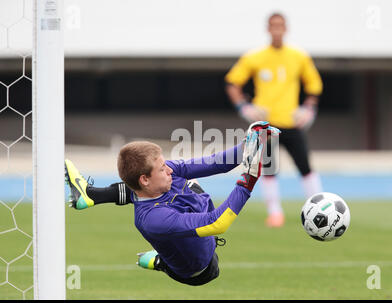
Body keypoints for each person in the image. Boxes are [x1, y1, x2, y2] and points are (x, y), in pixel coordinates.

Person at [65, 121, 280, 286]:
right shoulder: (153, 219)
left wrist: (250, 144)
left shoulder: (162, 174)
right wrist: (247, 182)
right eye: (161, 169)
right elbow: (217, 224)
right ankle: (160, 262)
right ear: (145, 179)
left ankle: (91, 195)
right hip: (200, 269)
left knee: (176, 183)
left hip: (160, 204)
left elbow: (214, 163)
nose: (169, 169)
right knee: (189, 191)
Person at [225, 12, 323, 228]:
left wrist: (309, 108)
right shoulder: (255, 57)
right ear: (268, 29)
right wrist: (244, 107)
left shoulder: (299, 56)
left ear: (285, 28)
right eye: (273, 25)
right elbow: (232, 82)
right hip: (267, 124)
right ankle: (275, 213)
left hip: (291, 122)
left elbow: (314, 84)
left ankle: (319, 207)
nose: (277, 29)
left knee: (305, 166)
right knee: (269, 168)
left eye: (280, 25)